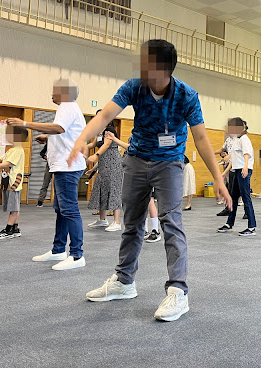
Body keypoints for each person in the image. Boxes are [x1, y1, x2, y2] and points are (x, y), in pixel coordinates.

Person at [71, 39, 231, 323]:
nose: (140, 66)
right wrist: (83, 139)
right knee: (132, 223)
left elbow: (201, 138)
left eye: (146, 61)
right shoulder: (134, 87)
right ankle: (124, 281)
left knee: (171, 222)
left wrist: (218, 178)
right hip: (136, 159)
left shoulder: (186, 95)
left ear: (163, 68)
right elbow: (105, 114)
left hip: (170, 163)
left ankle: (178, 291)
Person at [7, 78, 87, 271]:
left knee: (69, 210)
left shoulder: (67, 105)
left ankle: (77, 255)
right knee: (62, 210)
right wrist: (48, 137)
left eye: (55, 90)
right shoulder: (68, 107)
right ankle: (58, 250)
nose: (52, 93)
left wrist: (25, 123)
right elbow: (65, 132)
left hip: (67, 167)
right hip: (63, 166)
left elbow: (59, 128)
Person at [105, 131, 161, 242]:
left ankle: (155, 230)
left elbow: (131, 148)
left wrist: (115, 139)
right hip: (137, 172)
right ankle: (144, 230)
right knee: (141, 203)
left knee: (150, 201)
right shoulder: (135, 136)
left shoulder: (148, 136)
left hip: (149, 171)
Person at [217, 117, 256, 236]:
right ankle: (229, 223)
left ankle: (251, 227)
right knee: (233, 198)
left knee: (246, 197)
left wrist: (245, 167)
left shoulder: (244, 139)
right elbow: (233, 156)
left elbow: (246, 154)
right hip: (237, 170)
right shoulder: (235, 139)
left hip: (244, 170)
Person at [86, 112, 123, 232]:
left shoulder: (109, 130)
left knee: (113, 190)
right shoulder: (99, 132)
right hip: (103, 165)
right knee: (102, 189)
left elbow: (106, 145)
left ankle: (117, 222)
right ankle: (102, 219)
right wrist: (81, 146)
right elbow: (93, 144)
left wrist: (95, 155)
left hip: (113, 164)